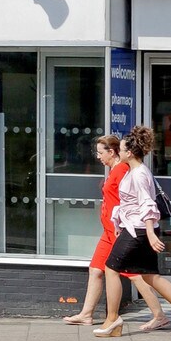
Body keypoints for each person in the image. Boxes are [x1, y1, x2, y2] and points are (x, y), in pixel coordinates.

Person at [96, 127, 171, 338]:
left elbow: (147, 205)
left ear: (129, 152)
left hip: (137, 230)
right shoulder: (136, 171)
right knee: (150, 275)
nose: (119, 152)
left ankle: (112, 320)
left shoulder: (138, 174)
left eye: (121, 149)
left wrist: (150, 233)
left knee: (111, 268)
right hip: (137, 228)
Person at [63, 135, 131, 327]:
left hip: (116, 231)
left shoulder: (122, 170)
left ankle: (164, 313)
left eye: (100, 152)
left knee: (136, 274)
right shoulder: (114, 170)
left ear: (112, 152)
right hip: (108, 231)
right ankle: (86, 314)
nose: (98, 156)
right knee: (95, 270)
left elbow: (127, 199)